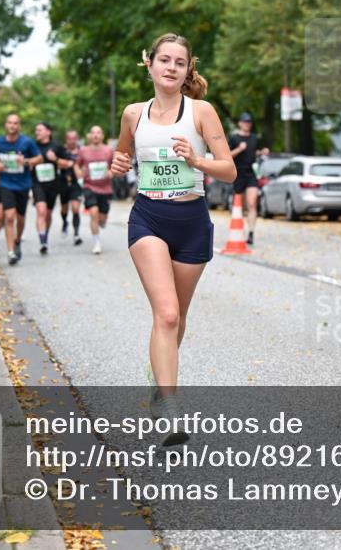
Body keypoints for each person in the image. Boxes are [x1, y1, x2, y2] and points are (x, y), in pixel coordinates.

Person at [110, 32, 235, 443]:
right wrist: (118, 163)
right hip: (149, 218)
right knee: (165, 314)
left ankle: (157, 380)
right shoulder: (133, 113)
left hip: (192, 221)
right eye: (164, 60)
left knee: (177, 319)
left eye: (179, 63)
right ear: (149, 64)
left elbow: (229, 170)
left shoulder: (201, 111)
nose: (170, 68)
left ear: (187, 70)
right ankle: (169, 408)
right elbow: (124, 155)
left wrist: (197, 160)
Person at [0, 113, 42, 265]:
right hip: (6, 183)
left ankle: (18, 240)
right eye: (10, 123)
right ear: (6, 125)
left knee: (20, 218)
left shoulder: (27, 142)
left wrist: (25, 161)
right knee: (9, 216)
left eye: (15, 123)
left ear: (19, 126)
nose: (12, 125)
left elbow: (39, 158)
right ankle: (11, 251)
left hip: (23, 185)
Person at [31, 122, 73, 255]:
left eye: (40, 130)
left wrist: (55, 160)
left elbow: (68, 164)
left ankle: (45, 235)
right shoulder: (32, 146)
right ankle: (42, 241)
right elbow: (25, 161)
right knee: (41, 211)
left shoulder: (57, 146)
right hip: (37, 183)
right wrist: (29, 163)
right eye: (36, 130)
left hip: (53, 184)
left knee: (48, 214)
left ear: (48, 132)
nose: (37, 132)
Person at [228, 112, 269, 245]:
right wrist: (239, 149)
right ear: (240, 123)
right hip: (237, 173)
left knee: (252, 203)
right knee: (239, 205)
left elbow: (255, 151)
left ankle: (251, 232)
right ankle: (238, 229)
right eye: (245, 122)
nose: (247, 124)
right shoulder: (234, 138)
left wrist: (262, 152)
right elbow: (227, 155)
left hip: (250, 172)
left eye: (249, 122)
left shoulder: (254, 138)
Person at [75, 125, 115, 254]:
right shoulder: (83, 150)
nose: (96, 135)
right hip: (89, 186)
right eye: (93, 133)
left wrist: (111, 172)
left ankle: (102, 221)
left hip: (105, 188)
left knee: (101, 218)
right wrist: (79, 174)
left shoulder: (109, 150)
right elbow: (77, 165)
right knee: (93, 213)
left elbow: (114, 166)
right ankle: (96, 242)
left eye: (98, 133)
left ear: (102, 136)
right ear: (90, 136)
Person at [58, 129, 84, 246]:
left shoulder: (81, 151)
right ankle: (64, 222)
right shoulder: (61, 150)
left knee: (75, 208)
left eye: (74, 138)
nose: (72, 141)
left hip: (76, 184)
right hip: (63, 182)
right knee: (64, 208)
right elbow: (57, 163)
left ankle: (76, 234)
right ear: (66, 139)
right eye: (70, 138)